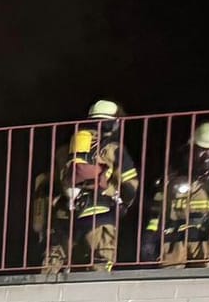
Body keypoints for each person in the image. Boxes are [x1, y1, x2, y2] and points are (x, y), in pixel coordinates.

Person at [34, 100, 140, 273]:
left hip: (64, 214)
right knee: (100, 263)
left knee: (52, 263)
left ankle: (42, 296)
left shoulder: (65, 150)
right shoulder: (113, 149)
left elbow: (49, 182)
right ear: (114, 123)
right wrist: (122, 204)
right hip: (100, 213)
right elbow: (129, 184)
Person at [144, 121, 209, 268]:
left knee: (207, 284)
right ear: (191, 149)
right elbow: (157, 210)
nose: (206, 155)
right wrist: (150, 236)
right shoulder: (173, 176)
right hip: (174, 243)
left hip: (205, 242)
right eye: (201, 149)